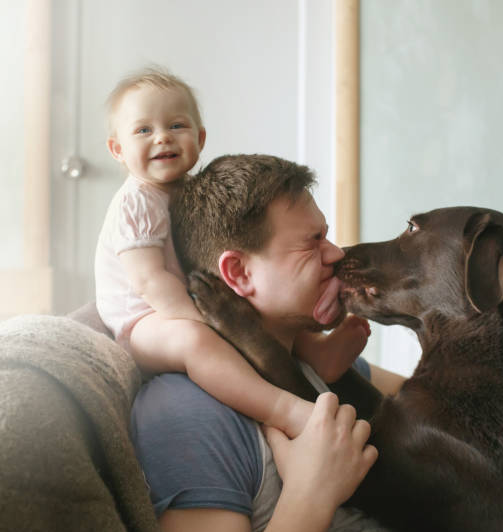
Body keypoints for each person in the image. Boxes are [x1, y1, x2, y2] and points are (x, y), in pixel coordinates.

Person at [131, 154, 448, 532]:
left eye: (327, 235)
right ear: (238, 273)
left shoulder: (316, 369)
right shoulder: (190, 414)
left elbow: (433, 409)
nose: (336, 253)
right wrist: (309, 496)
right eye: (312, 243)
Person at [94, 67, 369, 439]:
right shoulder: (136, 202)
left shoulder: (186, 190)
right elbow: (148, 281)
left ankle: (315, 356)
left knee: (272, 309)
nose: (162, 138)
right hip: (142, 318)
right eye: (143, 130)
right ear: (117, 150)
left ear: (200, 137)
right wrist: (202, 322)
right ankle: (283, 409)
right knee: (196, 343)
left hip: (182, 296)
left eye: (176, 126)